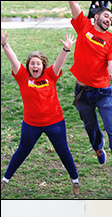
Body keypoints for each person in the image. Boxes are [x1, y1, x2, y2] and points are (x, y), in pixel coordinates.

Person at [1, 29, 80, 196]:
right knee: (22, 151)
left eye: (38, 63)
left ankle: (75, 180)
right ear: (28, 65)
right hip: (31, 124)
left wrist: (66, 49)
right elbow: (13, 60)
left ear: (43, 65)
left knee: (63, 151)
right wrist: (4, 44)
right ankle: (5, 180)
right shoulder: (22, 76)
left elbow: (59, 63)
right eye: (32, 63)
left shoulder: (51, 75)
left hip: (55, 123)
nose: (34, 66)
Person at [68, 1, 112, 191]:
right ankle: (97, 146)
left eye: (111, 18)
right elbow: (74, 5)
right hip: (82, 91)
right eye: (105, 16)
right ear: (96, 17)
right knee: (90, 126)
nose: (108, 20)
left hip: (102, 91)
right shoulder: (83, 25)